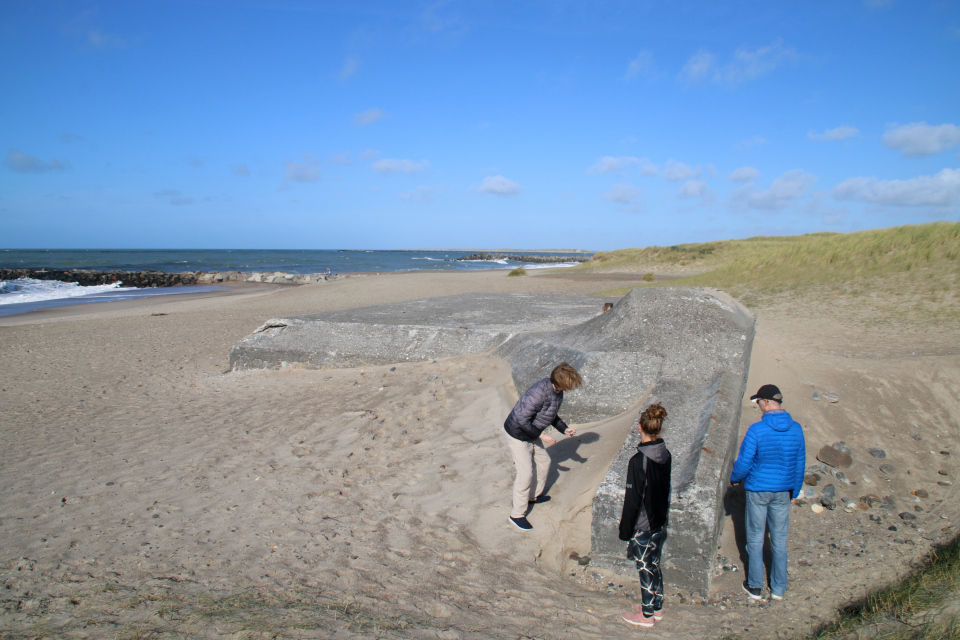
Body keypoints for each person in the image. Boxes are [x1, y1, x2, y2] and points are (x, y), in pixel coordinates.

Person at [729, 384, 806, 602]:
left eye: (758, 403)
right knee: (779, 540)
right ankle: (779, 588)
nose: (759, 407)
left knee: (755, 537)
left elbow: (745, 461)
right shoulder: (797, 429)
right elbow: (800, 463)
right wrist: (795, 491)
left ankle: (755, 586)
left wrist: (735, 479)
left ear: (765, 402)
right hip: (783, 490)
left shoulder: (757, 430)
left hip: (758, 490)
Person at [503, 363, 582, 531]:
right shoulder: (538, 393)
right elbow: (521, 419)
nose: (570, 388)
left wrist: (565, 429)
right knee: (525, 473)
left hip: (532, 432)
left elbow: (551, 414)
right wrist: (542, 436)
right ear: (560, 382)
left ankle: (533, 496)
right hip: (517, 434)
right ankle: (516, 515)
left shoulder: (557, 392)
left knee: (545, 462)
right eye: (569, 385)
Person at [618, 402, 672, 627]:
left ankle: (647, 615)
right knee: (655, 563)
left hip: (643, 523)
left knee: (644, 568)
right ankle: (656, 607)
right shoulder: (665, 454)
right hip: (659, 520)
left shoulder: (638, 461)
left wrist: (625, 530)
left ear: (639, 426)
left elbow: (633, 500)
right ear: (659, 429)